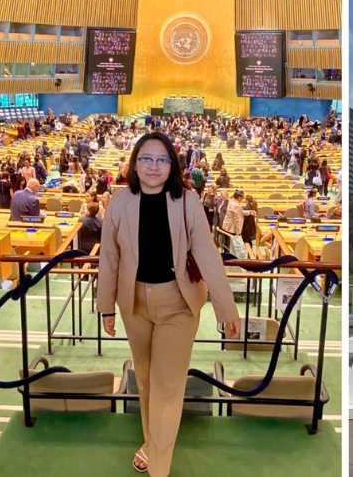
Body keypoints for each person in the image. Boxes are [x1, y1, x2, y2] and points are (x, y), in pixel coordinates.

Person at [97, 132, 240, 476]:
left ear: (172, 166)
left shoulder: (188, 201)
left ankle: (159, 467)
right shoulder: (119, 203)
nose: (153, 166)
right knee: (145, 381)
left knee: (166, 388)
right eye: (146, 159)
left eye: (162, 160)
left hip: (178, 304)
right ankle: (152, 442)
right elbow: (110, 260)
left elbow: (207, 254)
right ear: (134, 164)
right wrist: (105, 306)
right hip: (134, 305)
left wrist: (227, 309)